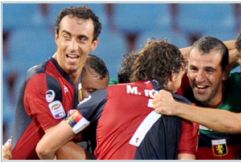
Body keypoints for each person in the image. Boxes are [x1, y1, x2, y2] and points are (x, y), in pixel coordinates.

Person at [34, 40, 197, 160]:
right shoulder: (184, 109)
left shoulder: (103, 95)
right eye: (183, 74)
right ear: (173, 75)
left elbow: (44, 147)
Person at [10, 6, 101, 159]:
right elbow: (55, 145)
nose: (73, 47)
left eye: (82, 39)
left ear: (93, 44)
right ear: (56, 37)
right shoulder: (41, 79)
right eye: (67, 37)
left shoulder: (88, 81)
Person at [179, 36, 241, 159]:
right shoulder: (180, 90)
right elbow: (165, 59)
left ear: (224, 73)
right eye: (194, 68)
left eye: (209, 70)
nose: (199, 78)